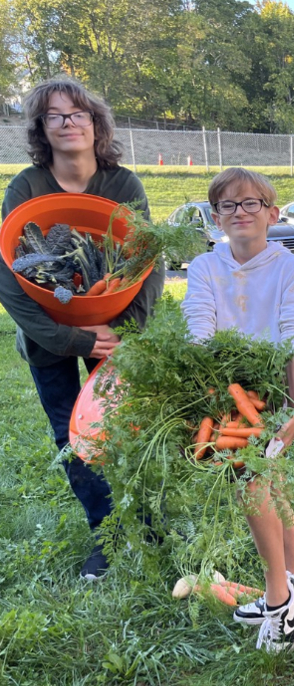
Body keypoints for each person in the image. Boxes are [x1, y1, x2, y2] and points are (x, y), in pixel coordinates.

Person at [0, 77, 165, 580]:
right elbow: (10, 279)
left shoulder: (123, 185)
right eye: (55, 116)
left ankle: (145, 526)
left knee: (121, 429)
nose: (68, 123)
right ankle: (106, 533)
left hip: (113, 331)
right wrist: (73, 339)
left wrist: (124, 331)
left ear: (96, 125)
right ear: (42, 128)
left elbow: (149, 263)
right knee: (72, 437)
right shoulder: (26, 187)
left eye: (78, 114)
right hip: (50, 337)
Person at [181, 167, 294, 653]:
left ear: (272, 214)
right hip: (224, 395)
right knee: (269, 482)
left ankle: (280, 600)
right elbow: (199, 328)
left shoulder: (289, 269)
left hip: (276, 393)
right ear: (216, 217)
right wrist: (206, 395)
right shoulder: (204, 267)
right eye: (228, 205)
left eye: (250, 203)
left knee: (250, 481)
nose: (239, 212)